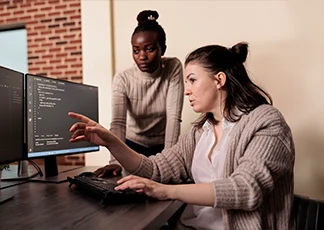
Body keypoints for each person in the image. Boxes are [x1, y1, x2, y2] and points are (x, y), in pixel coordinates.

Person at [69, 42, 294, 230]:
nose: (186, 90)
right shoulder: (199, 133)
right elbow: (155, 169)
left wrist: (166, 191)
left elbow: (246, 189)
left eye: (192, 80)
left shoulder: (267, 122)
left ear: (219, 80)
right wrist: (111, 141)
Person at [94, 10, 185, 178]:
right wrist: (114, 161)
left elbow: (174, 117)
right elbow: (118, 123)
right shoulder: (123, 78)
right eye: (136, 51)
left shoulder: (173, 67)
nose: (142, 56)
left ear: (162, 49)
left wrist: (169, 160)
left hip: (163, 146)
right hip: (132, 146)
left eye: (149, 49)